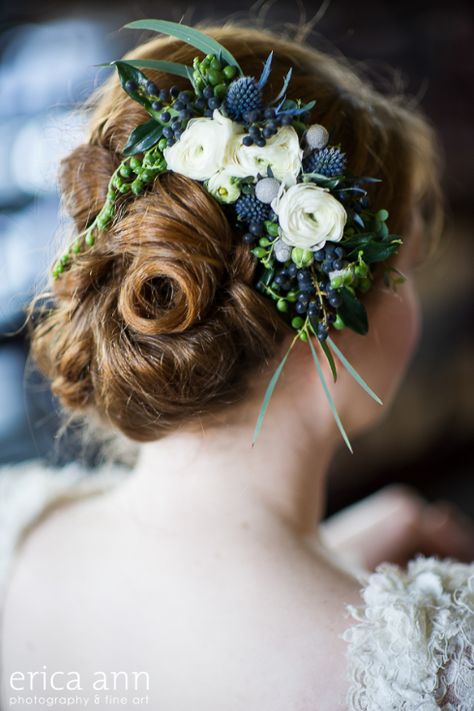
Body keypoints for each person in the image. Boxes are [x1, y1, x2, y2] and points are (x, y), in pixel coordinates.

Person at [1, 22, 473, 711]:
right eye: (407, 269)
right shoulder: (439, 665)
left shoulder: (13, 528)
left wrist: (339, 552)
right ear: (327, 303)